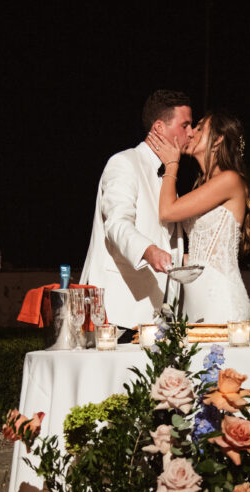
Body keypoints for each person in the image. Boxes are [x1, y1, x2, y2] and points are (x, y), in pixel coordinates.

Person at [79, 90, 194, 329]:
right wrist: (150, 250)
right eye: (185, 125)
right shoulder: (124, 163)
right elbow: (117, 224)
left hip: (157, 317)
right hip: (119, 312)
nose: (191, 133)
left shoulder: (168, 177)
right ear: (159, 128)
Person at [147, 110, 250, 323]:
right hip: (195, 300)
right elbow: (202, 254)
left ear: (218, 139)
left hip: (221, 299)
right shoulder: (203, 185)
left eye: (199, 128)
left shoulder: (229, 180)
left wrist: (171, 164)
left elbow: (167, 211)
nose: (191, 133)